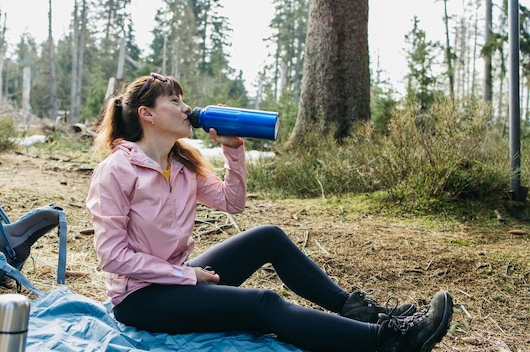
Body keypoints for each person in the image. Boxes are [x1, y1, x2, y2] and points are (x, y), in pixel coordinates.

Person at [86, 73, 454, 352]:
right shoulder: (117, 171)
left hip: (178, 279)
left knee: (268, 237)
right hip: (141, 298)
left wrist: (233, 149)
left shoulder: (180, 166)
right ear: (147, 114)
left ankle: (359, 312)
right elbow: (112, 257)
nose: (186, 108)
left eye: (184, 100)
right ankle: (388, 341)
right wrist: (186, 276)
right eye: (174, 101)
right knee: (264, 303)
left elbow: (233, 202)